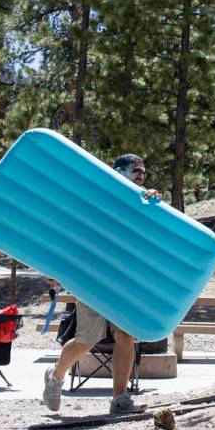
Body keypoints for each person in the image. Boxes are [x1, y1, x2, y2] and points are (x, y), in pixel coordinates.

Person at [42, 153, 160, 413]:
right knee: (87, 339)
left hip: (123, 281)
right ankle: (55, 376)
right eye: (134, 170)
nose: (140, 175)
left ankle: (120, 399)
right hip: (92, 278)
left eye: (143, 171)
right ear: (118, 172)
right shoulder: (97, 201)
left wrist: (154, 208)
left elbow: (153, 237)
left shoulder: (146, 201)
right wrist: (57, 270)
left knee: (126, 335)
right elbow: (73, 236)